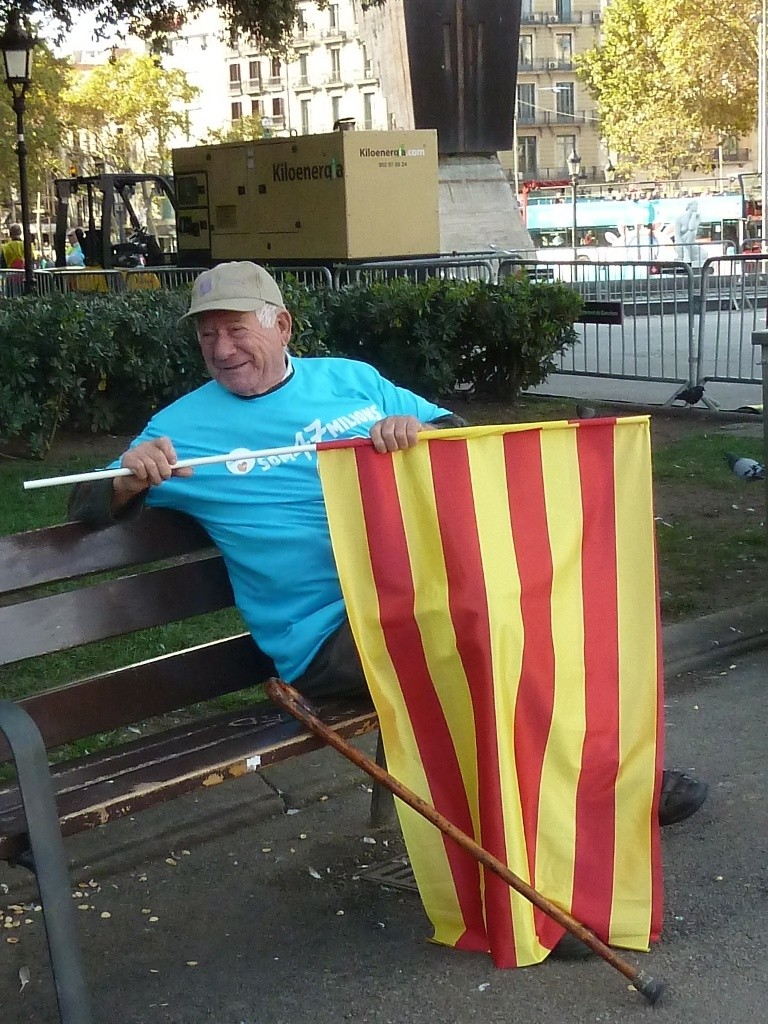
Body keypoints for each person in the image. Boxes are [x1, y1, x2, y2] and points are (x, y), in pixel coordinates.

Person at [68, 260, 708, 834]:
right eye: (207, 334)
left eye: (237, 329)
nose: (222, 348)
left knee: (538, 617)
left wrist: (418, 430)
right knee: (484, 646)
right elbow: (84, 505)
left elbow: (458, 438)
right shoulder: (182, 427)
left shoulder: (352, 380)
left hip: (416, 593)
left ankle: (596, 800)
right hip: (325, 637)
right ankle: (576, 830)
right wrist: (128, 478)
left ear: (283, 325)